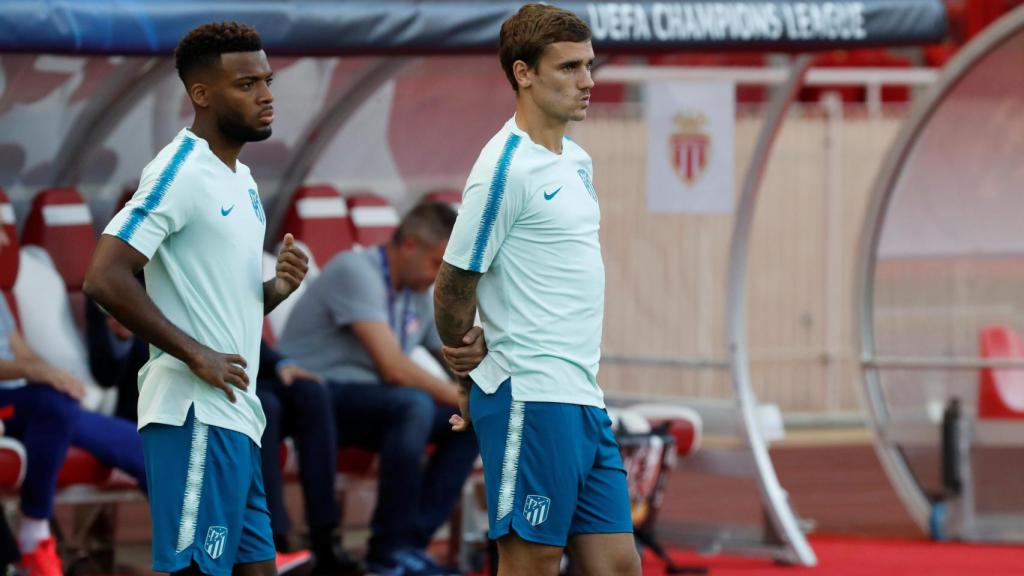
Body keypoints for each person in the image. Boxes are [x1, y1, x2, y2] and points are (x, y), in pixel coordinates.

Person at [84, 21, 309, 576]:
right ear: (201, 94)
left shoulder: (242, 180)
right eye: (247, 84)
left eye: (268, 80)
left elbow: (218, 304)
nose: (266, 95)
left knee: (258, 569)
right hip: (193, 415)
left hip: (238, 416)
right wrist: (195, 354)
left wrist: (275, 291)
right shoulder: (179, 170)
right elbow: (105, 277)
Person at [432, 4, 642, 575]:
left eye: (589, 65)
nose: (587, 80)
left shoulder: (577, 160)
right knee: (532, 563)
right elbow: (452, 285)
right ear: (523, 73)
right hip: (528, 392)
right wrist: (467, 373)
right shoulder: (504, 169)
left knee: (618, 566)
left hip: (583, 394)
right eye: (570, 67)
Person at [276, 202, 483, 576]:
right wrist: (462, 397)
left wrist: (486, 392)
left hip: (367, 402)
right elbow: (393, 367)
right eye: (437, 263)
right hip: (310, 396)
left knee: (473, 422)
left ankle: (409, 545)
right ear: (410, 245)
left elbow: (453, 358)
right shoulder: (356, 271)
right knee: (414, 405)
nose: (440, 275)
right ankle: (387, 551)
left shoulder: (416, 293)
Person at [0, 228, 147, 576]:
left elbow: (19, 349)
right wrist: (38, 374)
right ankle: (34, 533)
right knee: (54, 404)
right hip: (7, 399)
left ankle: (197, 550)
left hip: (28, 398)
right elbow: (21, 365)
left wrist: (53, 374)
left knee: (145, 446)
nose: (5, 240)